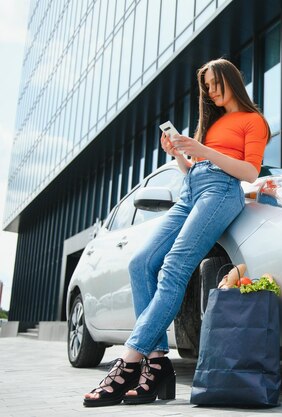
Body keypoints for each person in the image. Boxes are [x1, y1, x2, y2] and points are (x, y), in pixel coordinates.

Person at [83, 58, 270, 407]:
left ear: (232, 80)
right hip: (191, 192)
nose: (211, 91)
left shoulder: (252, 120)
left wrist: (203, 151)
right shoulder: (210, 124)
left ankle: (129, 364)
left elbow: (248, 171)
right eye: (206, 86)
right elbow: (194, 169)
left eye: (216, 83)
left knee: (173, 267)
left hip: (220, 193)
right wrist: (181, 156)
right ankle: (157, 363)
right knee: (141, 263)